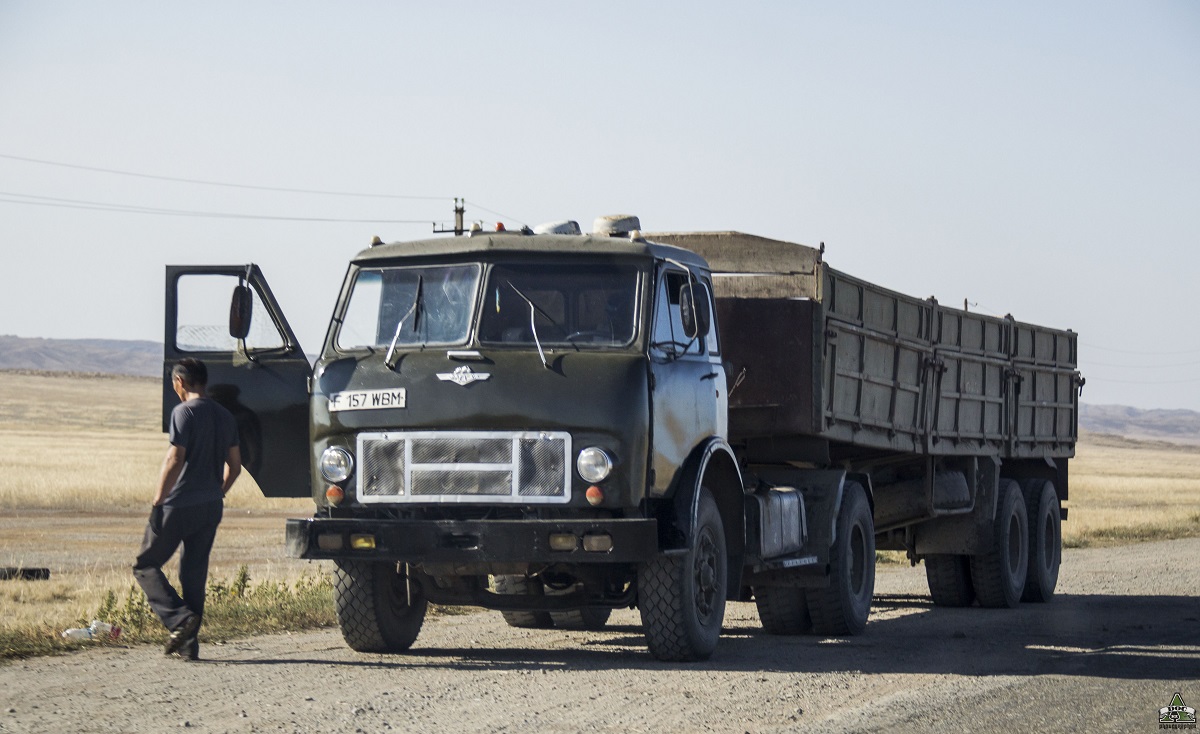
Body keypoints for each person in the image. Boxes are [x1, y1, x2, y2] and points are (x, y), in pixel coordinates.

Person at [133, 358, 241, 660]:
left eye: (174, 384)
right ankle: (188, 645)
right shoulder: (225, 416)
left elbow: (174, 460)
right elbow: (235, 467)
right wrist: (216, 493)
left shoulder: (183, 412)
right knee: (193, 574)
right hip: (210, 506)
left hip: (179, 504)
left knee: (145, 565)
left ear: (180, 382)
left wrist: (158, 501)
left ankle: (179, 620)